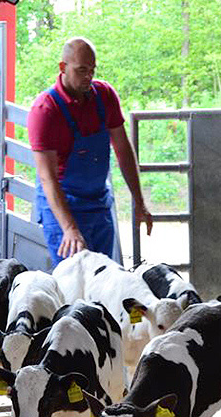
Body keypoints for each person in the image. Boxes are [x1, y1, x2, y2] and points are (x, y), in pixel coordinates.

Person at [27, 37, 153, 266]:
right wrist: (69, 228)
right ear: (63, 67)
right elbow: (47, 177)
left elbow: (123, 150)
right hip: (64, 204)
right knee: (76, 281)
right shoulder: (45, 110)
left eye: (92, 70)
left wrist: (139, 201)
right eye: (81, 70)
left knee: (105, 278)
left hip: (97, 201)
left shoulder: (104, 96)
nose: (88, 77)